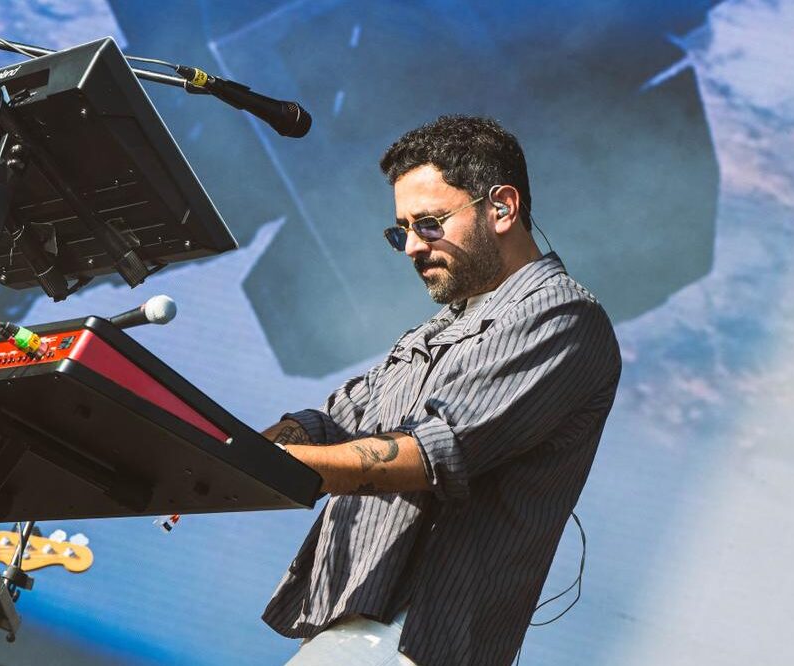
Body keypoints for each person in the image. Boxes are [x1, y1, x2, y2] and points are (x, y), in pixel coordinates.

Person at [261, 116, 622, 666]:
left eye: (428, 224)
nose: (411, 246)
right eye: (400, 231)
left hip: (414, 638)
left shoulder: (563, 317)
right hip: (361, 630)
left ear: (502, 208)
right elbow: (331, 423)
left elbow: (432, 452)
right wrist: (218, 455)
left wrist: (272, 466)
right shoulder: (439, 328)